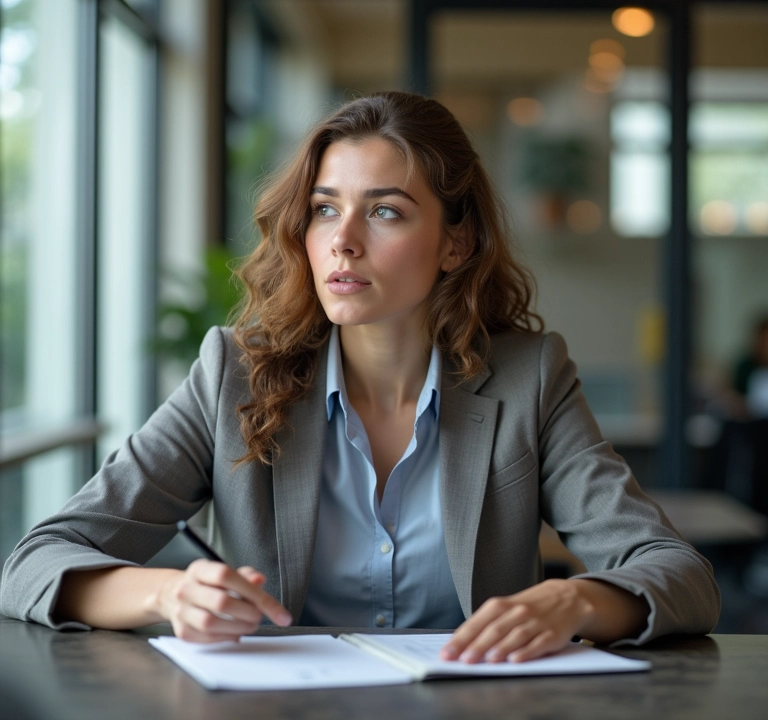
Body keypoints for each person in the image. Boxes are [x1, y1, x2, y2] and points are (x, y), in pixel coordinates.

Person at [0, 92, 719, 664]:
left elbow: (676, 573)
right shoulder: (234, 375)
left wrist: (577, 603)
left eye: (384, 211)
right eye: (323, 209)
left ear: (456, 242)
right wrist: (170, 592)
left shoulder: (529, 378)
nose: (343, 241)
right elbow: (35, 562)